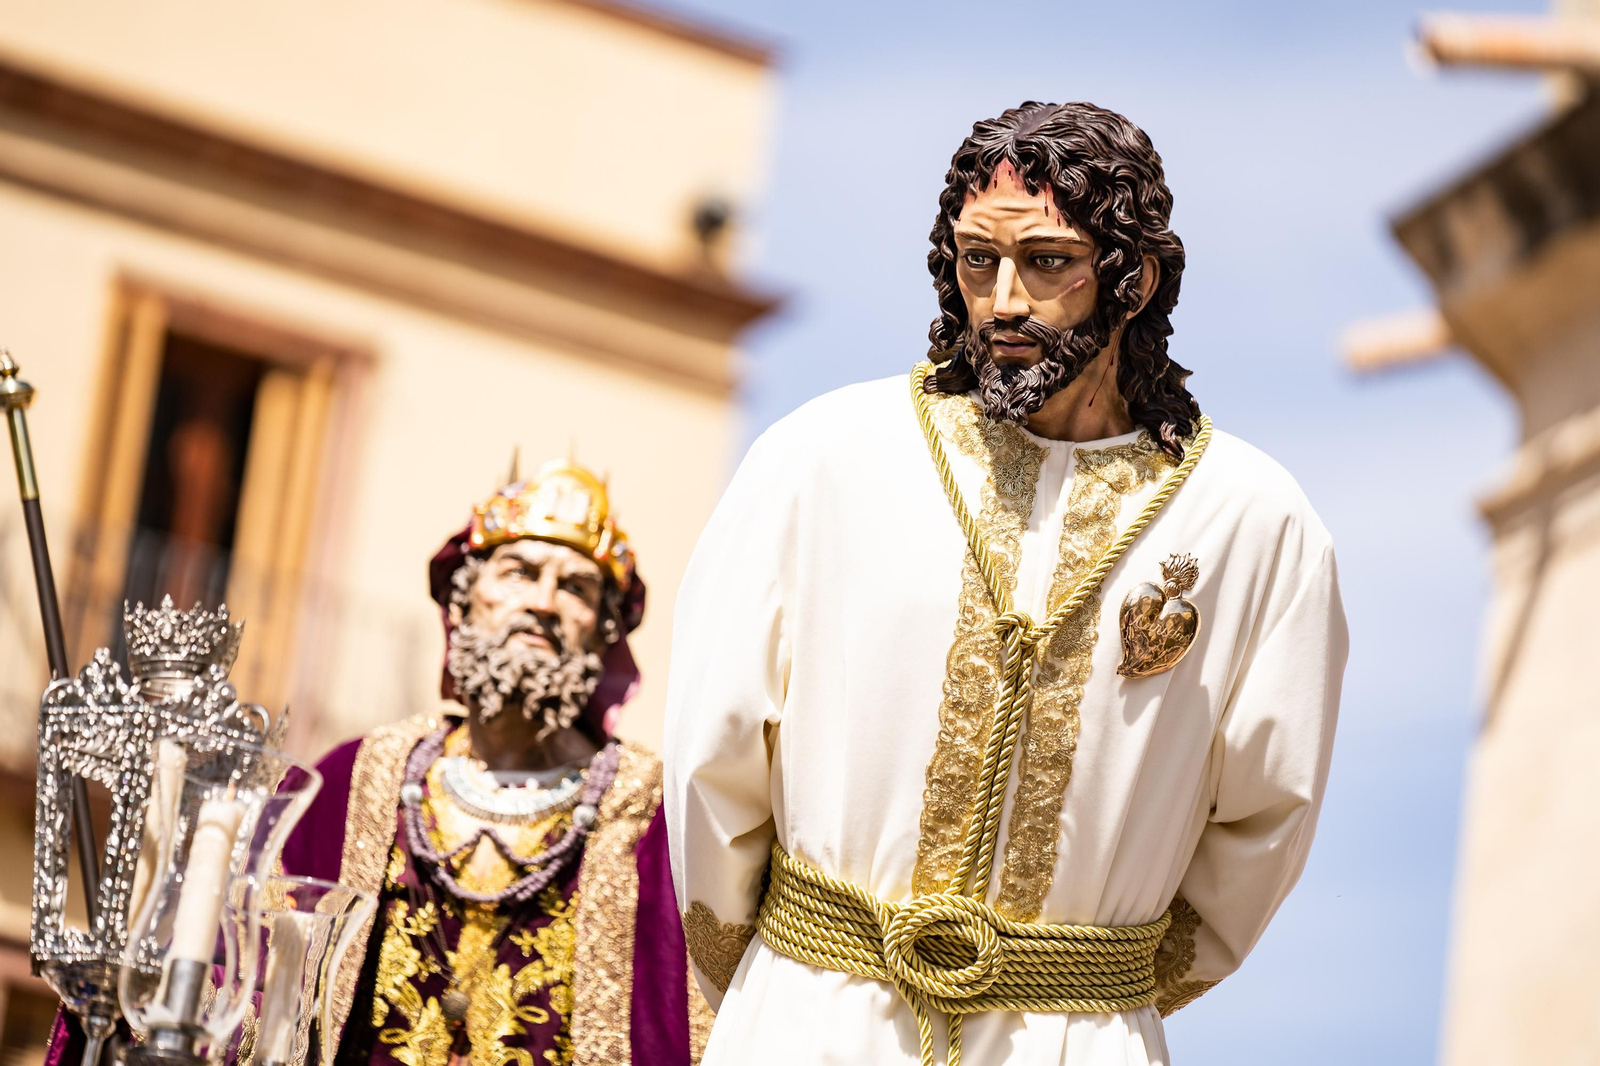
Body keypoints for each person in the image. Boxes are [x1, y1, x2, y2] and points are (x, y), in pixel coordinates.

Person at [663, 102, 1348, 1066]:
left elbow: (1266, 817)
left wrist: (1085, 993)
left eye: (1048, 262)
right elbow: (710, 760)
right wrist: (790, 994)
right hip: (813, 1023)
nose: (1004, 301)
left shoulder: (1255, 524)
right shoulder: (821, 461)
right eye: (976, 261)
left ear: (1135, 278)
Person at [280, 458, 712, 1066]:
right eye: (519, 572)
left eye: (575, 587)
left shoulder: (655, 816)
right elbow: (252, 967)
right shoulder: (358, 778)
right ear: (462, 603)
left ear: (602, 631)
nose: (542, 602)